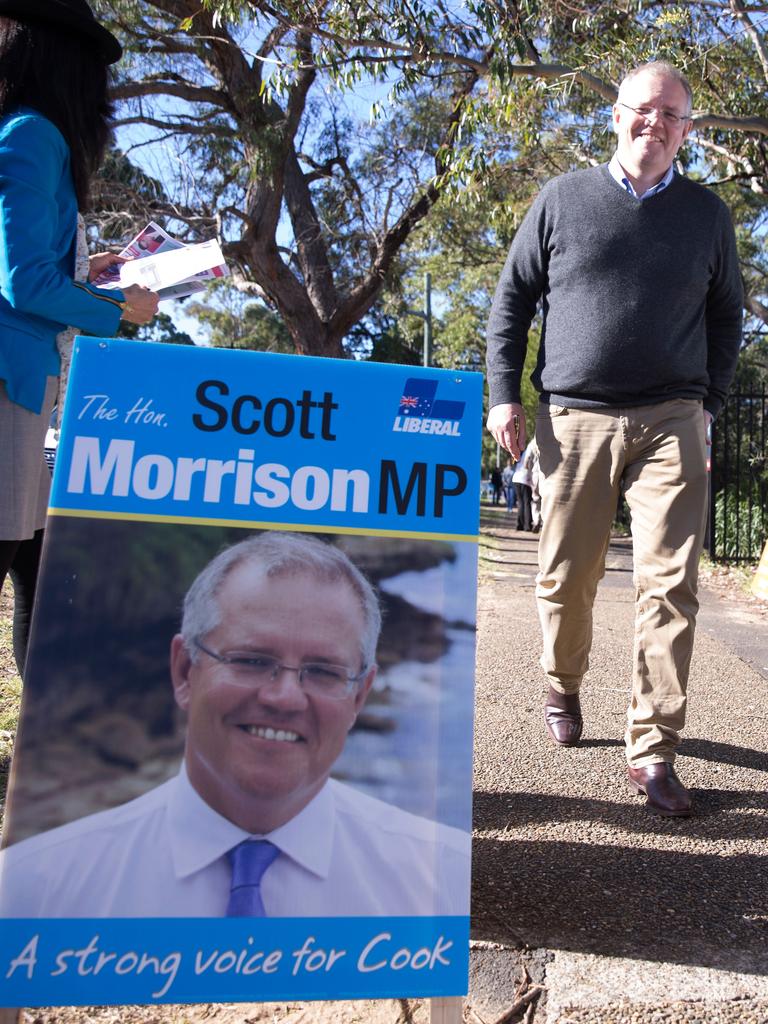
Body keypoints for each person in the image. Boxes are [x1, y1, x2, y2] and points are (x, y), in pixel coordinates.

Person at [485, 61, 743, 818]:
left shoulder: (708, 215)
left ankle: (654, 748)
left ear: (687, 133)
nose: (655, 124)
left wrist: (710, 402)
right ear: (616, 115)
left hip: (672, 415)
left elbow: (727, 316)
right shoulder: (563, 200)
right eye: (644, 109)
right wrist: (506, 398)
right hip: (574, 414)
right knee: (568, 578)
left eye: (672, 116)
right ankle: (562, 683)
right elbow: (511, 303)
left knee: (672, 583)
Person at [0, 532, 470, 917]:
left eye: (324, 671)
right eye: (250, 659)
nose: (284, 697)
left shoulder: (435, 879)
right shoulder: (40, 885)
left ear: (360, 696)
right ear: (184, 670)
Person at [0, 0, 159, 675]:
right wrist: (119, 307)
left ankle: (39, 747)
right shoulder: (32, 133)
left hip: (30, 387)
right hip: (10, 381)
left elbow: (31, 262)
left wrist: (83, 269)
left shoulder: (30, 132)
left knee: (36, 559)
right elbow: (23, 285)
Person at [511, 444, 534, 532]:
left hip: (516, 478)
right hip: (524, 478)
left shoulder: (523, 450)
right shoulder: (531, 446)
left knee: (521, 503)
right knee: (527, 502)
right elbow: (527, 462)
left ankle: (519, 525)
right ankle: (527, 526)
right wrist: (528, 472)